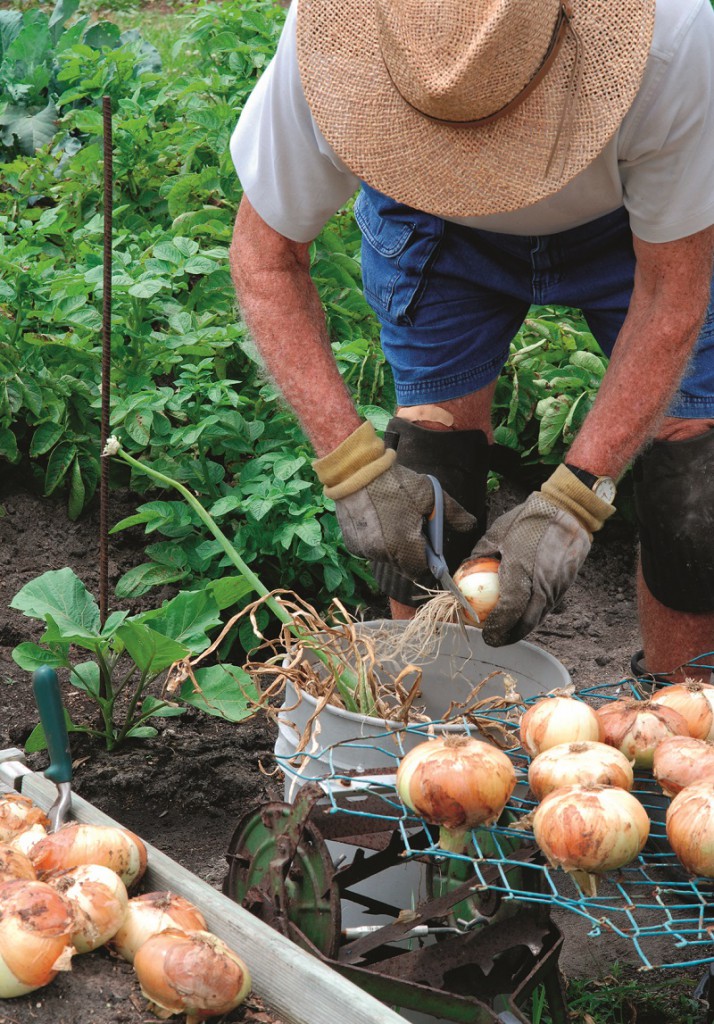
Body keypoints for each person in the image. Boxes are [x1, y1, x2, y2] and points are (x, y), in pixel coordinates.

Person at [229, 0, 714, 681]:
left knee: (695, 487)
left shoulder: (673, 38)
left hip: (630, 215)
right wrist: (351, 468)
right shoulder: (328, 38)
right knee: (430, 464)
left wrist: (575, 500)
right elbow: (265, 259)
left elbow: (671, 294)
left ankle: (681, 726)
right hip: (432, 221)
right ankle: (431, 729)